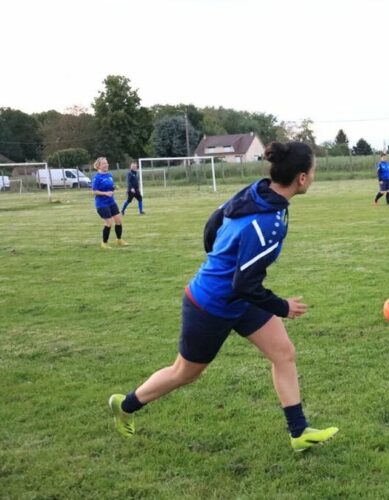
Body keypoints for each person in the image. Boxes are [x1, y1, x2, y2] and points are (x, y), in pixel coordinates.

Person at [108, 141, 338, 453]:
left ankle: (299, 431)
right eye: (313, 171)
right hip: (210, 304)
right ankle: (126, 405)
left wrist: (221, 256)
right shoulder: (267, 224)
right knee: (185, 373)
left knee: (283, 353)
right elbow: (245, 283)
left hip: (239, 300)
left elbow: (213, 224)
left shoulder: (257, 190)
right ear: (301, 178)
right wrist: (282, 306)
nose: (314, 176)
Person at [91, 157, 128, 249]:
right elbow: (94, 191)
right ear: (99, 166)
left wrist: (114, 187)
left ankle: (119, 240)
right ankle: (104, 243)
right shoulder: (97, 178)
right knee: (109, 223)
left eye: (106, 163)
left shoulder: (109, 175)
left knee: (118, 221)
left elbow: (110, 187)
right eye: (104, 163)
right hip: (101, 204)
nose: (106, 165)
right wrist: (105, 193)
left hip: (111, 202)